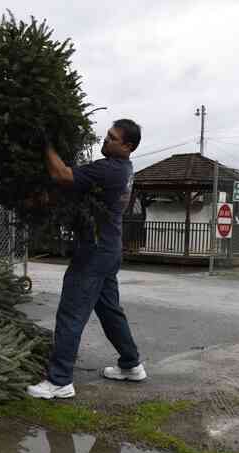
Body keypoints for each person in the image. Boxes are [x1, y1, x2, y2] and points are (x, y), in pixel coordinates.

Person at [27, 119, 146, 400]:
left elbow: (63, 175)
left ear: (127, 146)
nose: (106, 140)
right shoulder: (126, 169)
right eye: (106, 135)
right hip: (109, 249)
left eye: (112, 138)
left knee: (71, 312)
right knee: (109, 310)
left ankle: (59, 381)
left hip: (93, 251)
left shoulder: (109, 169)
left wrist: (47, 144)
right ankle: (131, 365)